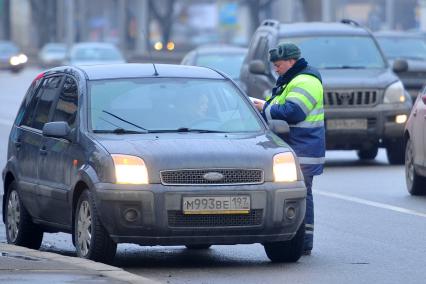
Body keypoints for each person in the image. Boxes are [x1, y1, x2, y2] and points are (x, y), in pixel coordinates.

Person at [253, 42, 325, 256]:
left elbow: (295, 112)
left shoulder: (306, 81)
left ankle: (304, 242)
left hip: (304, 149)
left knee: (303, 195)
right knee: (301, 194)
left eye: (279, 64)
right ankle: (302, 241)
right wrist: (265, 105)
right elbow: (282, 105)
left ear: (291, 61)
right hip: (296, 148)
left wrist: (265, 107)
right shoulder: (291, 79)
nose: (276, 68)